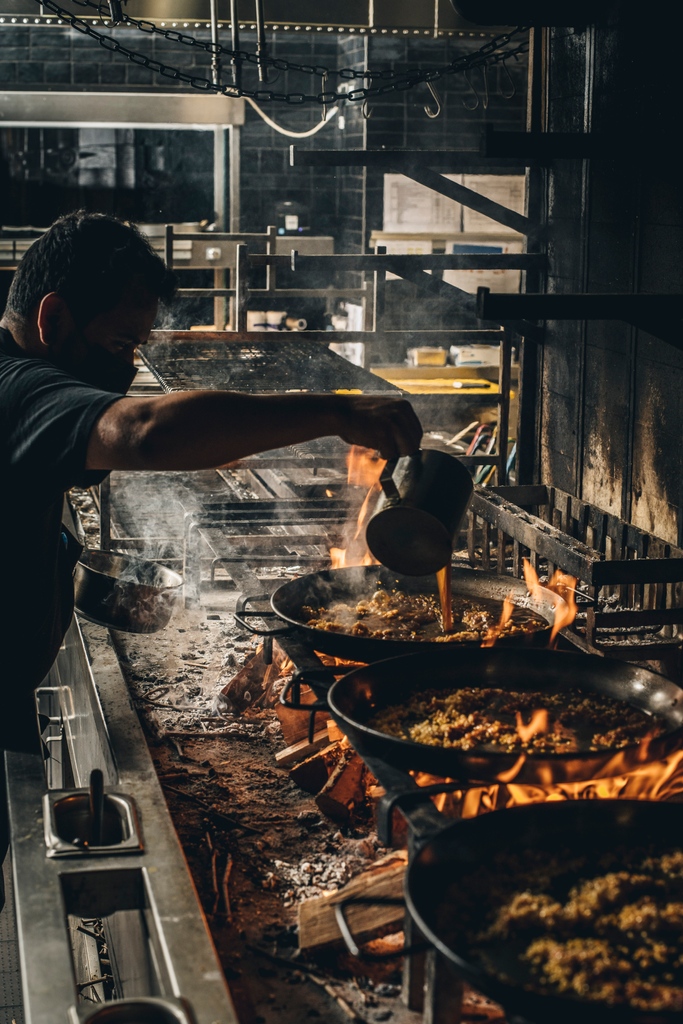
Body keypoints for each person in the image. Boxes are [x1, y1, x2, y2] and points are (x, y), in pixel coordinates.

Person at [0, 209, 422, 759]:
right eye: (120, 345)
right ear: (52, 320)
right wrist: (339, 415)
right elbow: (144, 431)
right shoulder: (20, 388)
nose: (128, 367)